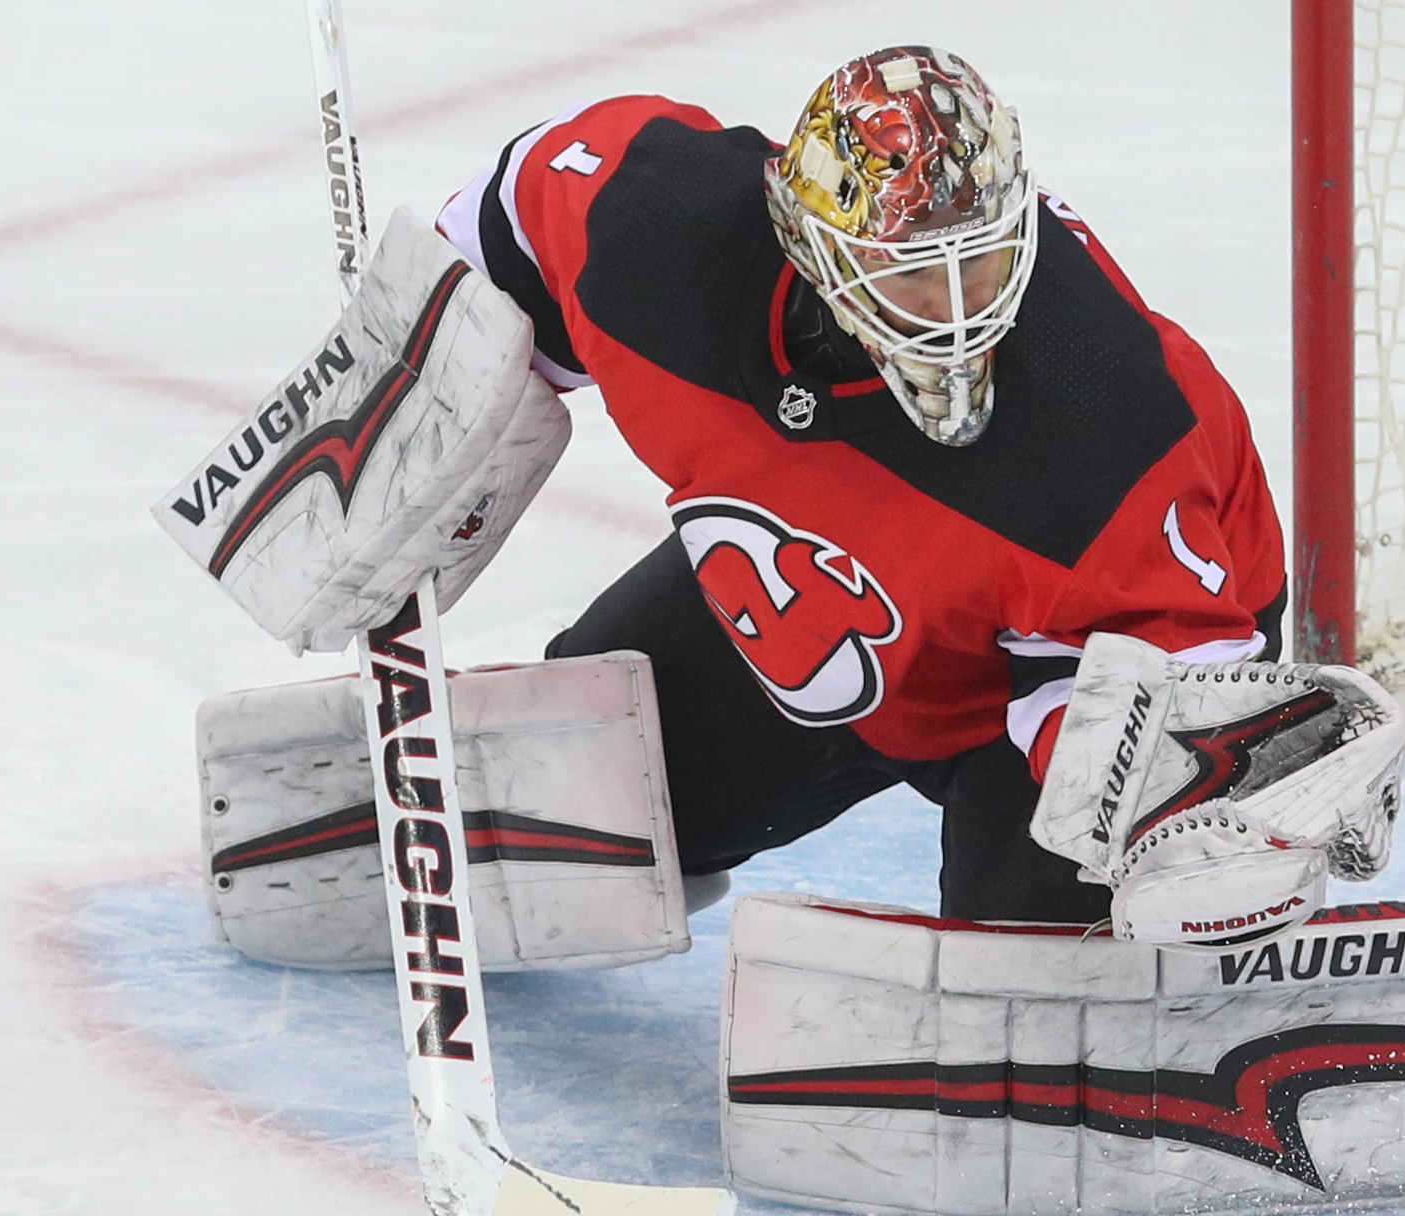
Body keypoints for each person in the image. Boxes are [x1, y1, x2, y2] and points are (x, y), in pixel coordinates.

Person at [429, 45, 1292, 923]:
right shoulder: (658, 226)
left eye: (981, 261)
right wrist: (399, 417)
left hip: (1099, 651)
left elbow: (1159, 662)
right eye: (915, 271)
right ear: (811, 243)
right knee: (573, 784)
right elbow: (509, 227)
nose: (958, 313)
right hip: (830, 603)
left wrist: (1196, 808)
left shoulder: (1102, 411)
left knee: (1026, 962)